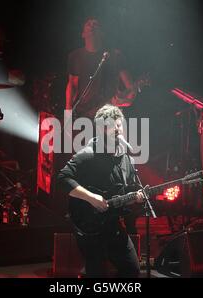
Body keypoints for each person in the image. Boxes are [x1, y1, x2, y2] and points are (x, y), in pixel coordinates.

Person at [58, 104, 144, 278]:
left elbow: (128, 190)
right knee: (96, 272)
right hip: (89, 225)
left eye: (119, 125)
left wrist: (137, 197)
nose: (117, 130)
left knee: (132, 270)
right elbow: (62, 179)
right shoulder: (88, 154)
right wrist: (91, 198)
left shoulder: (126, 159)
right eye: (111, 126)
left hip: (114, 225)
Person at [65, 17, 137, 118]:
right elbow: (72, 85)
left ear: (102, 33)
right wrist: (68, 110)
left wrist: (126, 100)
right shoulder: (75, 56)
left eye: (95, 24)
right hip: (82, 114)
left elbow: (131, 88)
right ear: (83, 34)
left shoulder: (115, 55)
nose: (92, 26)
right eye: (88, 24)